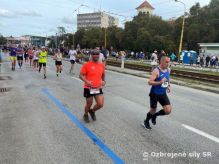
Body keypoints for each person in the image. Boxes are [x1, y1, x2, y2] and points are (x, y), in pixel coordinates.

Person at [143, 56, 172, 130]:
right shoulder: (156, 71)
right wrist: (160, 82)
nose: (168, 64)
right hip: (154, 93)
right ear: (161, 62)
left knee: (168, 110)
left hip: (162, 93)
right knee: (152, 110)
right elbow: (149, 82)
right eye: (166, 62)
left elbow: (167, 79)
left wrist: (168, 85)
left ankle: (155, 115)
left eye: (169, 62)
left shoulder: (168, 70)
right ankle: (146, 121)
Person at [79, 50, 106, 123]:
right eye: (94, 54)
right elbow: (80, 75)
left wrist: (103, 81)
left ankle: (92, 111)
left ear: (99, 55)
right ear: (91, 55)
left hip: (98, 87)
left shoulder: (101, 65)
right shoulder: (87, 65)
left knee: (100, 104)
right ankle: (85, 114)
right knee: (89, 103)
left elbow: (103, 74)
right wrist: (87, 81)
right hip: (88, 88)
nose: (95, 55)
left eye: (97, 54)